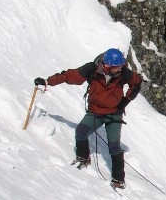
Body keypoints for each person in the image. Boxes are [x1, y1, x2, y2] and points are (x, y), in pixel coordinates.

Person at [34, 49, 142, 188]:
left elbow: (137, 83)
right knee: (81, 131)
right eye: (118, 67)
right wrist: (47, 81)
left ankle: (118, 179)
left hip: (114, 114)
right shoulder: (91, 69)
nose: (121, 68)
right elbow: (69, 76)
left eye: (121, 66)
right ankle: (83, 157)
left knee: (114, 146)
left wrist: (125, 101)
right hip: (95, 112)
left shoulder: (124, 73)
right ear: (107, 65)